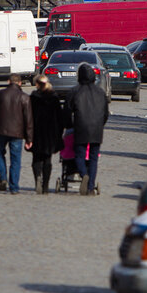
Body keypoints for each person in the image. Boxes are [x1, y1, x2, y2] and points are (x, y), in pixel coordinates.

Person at [66, 62, 109, 195]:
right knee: (93, 158)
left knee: (79, 155)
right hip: (96, 129)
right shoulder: (100, 92)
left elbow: (67, 111)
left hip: (80, 127)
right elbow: (105, 113)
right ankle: (90, 187)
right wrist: (100, 124)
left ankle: (84, 174)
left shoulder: (74, 91)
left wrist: (69, 125)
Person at [0, 74, 33, 194]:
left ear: (8, 81)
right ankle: (14, 187)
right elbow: (28, 119)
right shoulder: (24, 97)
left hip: (1, 130)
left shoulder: (0, 94)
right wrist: (29, 138)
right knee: (15, 159)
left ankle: (3, 177)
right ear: (20, 83)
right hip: (17, 133)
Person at [29, 74, 64, 194]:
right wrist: (59, 133)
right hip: (50, 133)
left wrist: (27, 133)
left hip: (36, 132)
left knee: (36, 159)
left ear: (37, 84)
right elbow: (60, 117)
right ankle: (45, 186)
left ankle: (37, 178)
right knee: (47, 160)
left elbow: (29, 117)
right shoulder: (54, 97)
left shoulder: (33, 97)